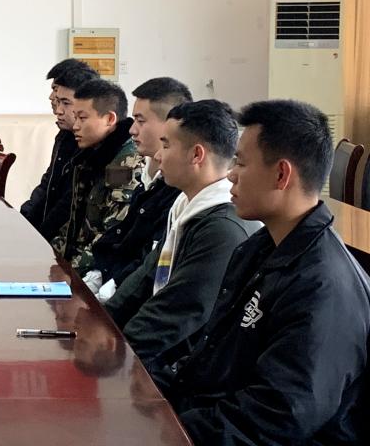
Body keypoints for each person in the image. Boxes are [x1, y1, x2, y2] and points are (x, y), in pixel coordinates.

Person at [164, 100, 370, 444]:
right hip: (208, 419)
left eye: (241, 163)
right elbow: (213, 357)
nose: (231, 174)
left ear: (281, 175)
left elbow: (278, 417)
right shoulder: (260, 246)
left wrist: (172, 431)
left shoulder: (322, 286)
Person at [104, 100, 260, 377]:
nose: (158, 156)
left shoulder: (223, 229)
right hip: (160, 356)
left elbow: (177, 313)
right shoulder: (185, 205)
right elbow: (145, 277)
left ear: (196, 154)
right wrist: (101, 323)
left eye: (166, 145)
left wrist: (117, 351)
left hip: (186, 369)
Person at [89, 77, 193, 296]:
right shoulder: (149, 176)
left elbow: (148, 261)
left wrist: (111, 290)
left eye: (141, 121)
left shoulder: (179, 188)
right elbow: (121, 238)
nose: (132, 130)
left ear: (169, 123)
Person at [51, 79, 143, 273]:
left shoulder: (123, 165)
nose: (75, 126)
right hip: (75, 262)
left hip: (93, 271)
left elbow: (111, 235)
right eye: (75, 118)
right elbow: (72, 225)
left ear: (110, 119)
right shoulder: (90, 154)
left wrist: (69, 271)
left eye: (82, 118)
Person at [20, 60, 100, 241]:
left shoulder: (90, 144)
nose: (52, 98)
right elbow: (48, 185)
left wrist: (38, 237)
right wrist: (25, 219)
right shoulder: (65, 135)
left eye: (57, 92)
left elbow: (68, 205)